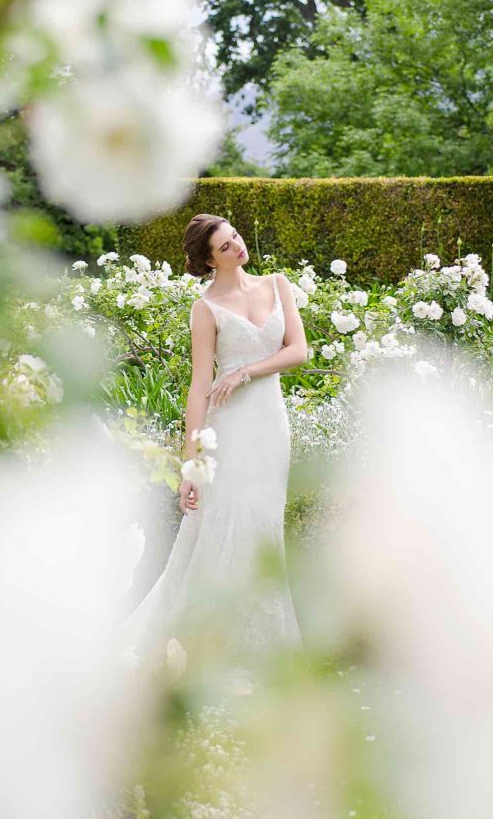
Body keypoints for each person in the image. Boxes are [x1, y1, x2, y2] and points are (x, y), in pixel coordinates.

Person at [122, 213, 308, 673]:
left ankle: (260, 644)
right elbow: (199, 385)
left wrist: (246, 371)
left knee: (262, 527)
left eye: (237, 237)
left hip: (269, 427)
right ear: (208, 259)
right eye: (225, 247)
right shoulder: (205, 308)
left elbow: (298, 351)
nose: (238, 248)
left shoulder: (277, 284)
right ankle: (208, 641)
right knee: (223, 525)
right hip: (228, 432)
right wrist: (191, 464)